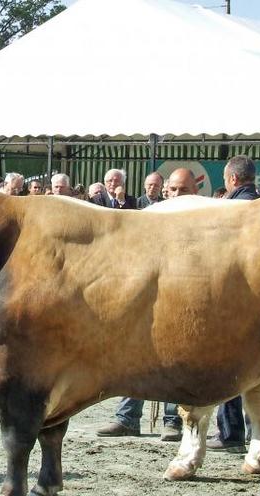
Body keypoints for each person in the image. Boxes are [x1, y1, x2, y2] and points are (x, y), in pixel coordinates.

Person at [96, 168, 197, 442]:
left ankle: (172, 420)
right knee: (137, 358)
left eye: (183, 190)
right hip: (148, 298)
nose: (176, 195)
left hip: (182, 298)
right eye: (173, 190)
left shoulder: (199, 221)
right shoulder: (152, 216)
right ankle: (127, 418)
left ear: (195, 191)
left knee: (175, 361)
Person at [207, 155, 259, 453]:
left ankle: (230, 433)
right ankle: (257, 432)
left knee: (230, 366)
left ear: (233, 180)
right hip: (258, 296)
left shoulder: (231, 209)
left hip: (234, 295)